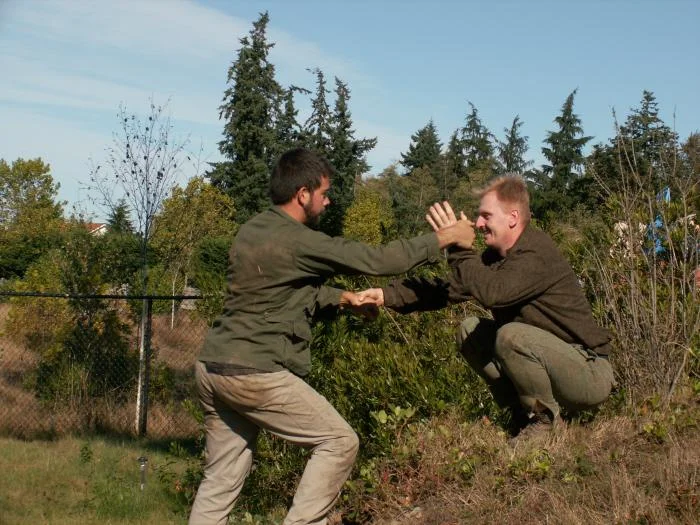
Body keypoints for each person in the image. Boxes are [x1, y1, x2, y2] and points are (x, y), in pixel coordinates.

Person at [189, 147, 472, 525]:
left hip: (213, 368)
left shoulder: (253, 230)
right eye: (324, 192)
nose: (328, 200)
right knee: (339, 441)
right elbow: (379, 260)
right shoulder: (301, 240)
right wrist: (444, 237)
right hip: (254, 373)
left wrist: (341, 298)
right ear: (302, 194)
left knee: (220, 481)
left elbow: (276, 292)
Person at [359, 175, 616, 438]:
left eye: (486, 216)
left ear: (512, 217)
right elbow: (449, 288)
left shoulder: (537, 253)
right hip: (554, 361)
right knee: (470, 330)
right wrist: (385, 295)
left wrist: (459, 249)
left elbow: (494, 294)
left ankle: (543, 422)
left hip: (589, 372)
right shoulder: (496, 258)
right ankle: (521, 415)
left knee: (511, 335)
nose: (478, 223)